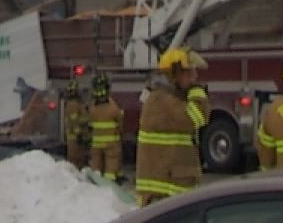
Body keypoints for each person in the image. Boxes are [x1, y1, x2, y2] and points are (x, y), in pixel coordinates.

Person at [134, 47, 209, 206]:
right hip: (163, 193)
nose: (194, 79)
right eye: (189, 74)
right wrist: (198, 94)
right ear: (175, 75)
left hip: (168, 189)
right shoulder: (161, 101)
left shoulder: (166, 98)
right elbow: (198, 117)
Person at [87, 72, 125, 182]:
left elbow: (89, 123)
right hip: (111, 144)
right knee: (111, 164)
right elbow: (120, 122)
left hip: (96, 143)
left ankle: (96, 181)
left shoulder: (93, 108)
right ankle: (110, 183)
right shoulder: (113, 108)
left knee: (96, 164)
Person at [62, 74, 91, 170]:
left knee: (79, 160)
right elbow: (75, 121)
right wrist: (79, 134)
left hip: (76, 137)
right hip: (75, 138)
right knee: (76, 161)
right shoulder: (73, 104)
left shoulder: (75, 103)